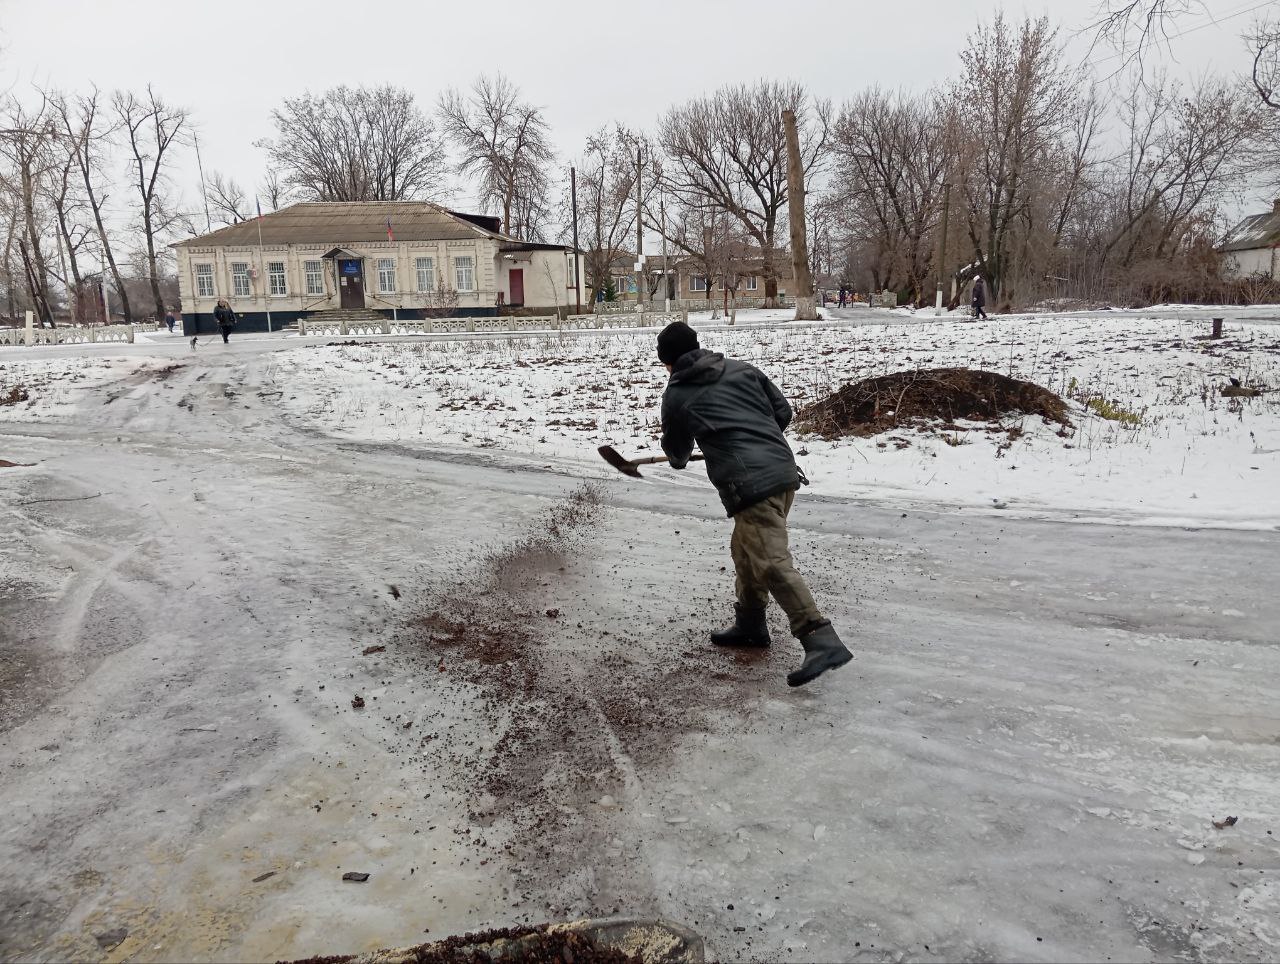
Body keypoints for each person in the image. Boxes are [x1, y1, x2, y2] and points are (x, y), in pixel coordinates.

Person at [657, 321, 853, 688]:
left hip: (751, 485)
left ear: (668, 362)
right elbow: (783, 413)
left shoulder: (678, 394)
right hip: (782, 471)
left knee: (770, 561)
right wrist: (753, 434)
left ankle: (819, 638)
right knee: (746, 550)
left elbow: (679, 455)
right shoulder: (743, 369)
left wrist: (679, 449)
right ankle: (750, 623)